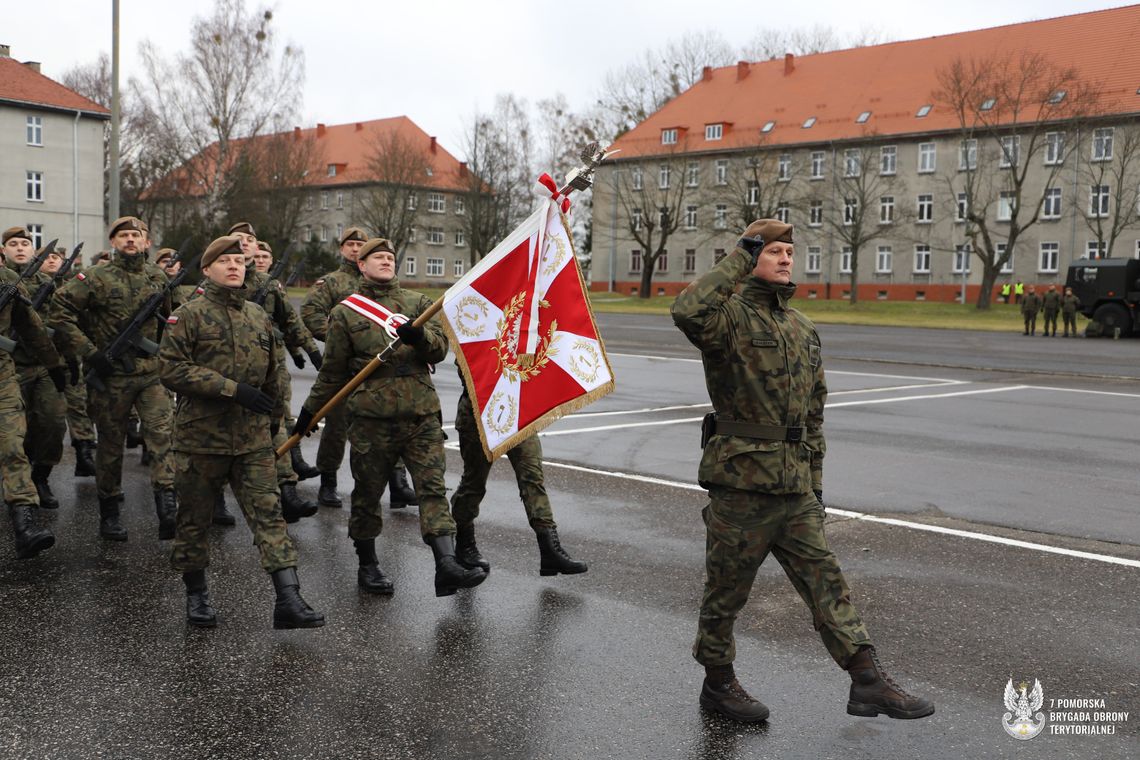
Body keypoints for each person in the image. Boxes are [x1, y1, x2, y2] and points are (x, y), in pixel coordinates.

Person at [671, 219, 934, 724]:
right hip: (742, 484)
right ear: (751, 258)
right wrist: (740, 256)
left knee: (827, 582)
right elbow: (686, 309)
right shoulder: (727, 319)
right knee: (726, 593)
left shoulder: (801, 326)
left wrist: (815, 485)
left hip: (794, 488)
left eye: (789, 251)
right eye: (773, 251)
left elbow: (814, 412)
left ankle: (868, 681)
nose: (786, 259)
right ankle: (718, 685)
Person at [294, 237, 486, 597]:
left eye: (389, 257)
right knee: (367, 495)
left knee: (431, 490)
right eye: (376, 257)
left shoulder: (419, 304)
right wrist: (310, 411)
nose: (385, 261)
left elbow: (441, 349)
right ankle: (368, 564)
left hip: (421, 415)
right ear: (361, 267)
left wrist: (419, 337)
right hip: (371, 419)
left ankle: (445, 564)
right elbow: (333, 373)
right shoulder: (345, 312)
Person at [158, 234, 324, 629]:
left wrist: (275, 424)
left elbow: (270, 380)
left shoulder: (257, 315)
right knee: (194, 522)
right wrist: (233, 390)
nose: (235, 266)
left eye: (239, 260)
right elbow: (171, 370)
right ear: (208, 269)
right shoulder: (189, 315)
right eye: (225, 261)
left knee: (269, 517)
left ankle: (289, 599)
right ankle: (196, 595)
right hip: (202, 439)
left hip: (251, 441)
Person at [48, 216, 178, 542]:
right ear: (113, 243)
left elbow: (167, 319)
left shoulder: (157, 275)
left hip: (150, 374)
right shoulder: (94, 277)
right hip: (111, 377)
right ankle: (110, 510)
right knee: (110, 445)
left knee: (162, 436)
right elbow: (60, 312)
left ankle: (168, 508)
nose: (130, 240)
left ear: (147, 242)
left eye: (136, 235)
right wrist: (90, 353)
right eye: (123, 236)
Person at [300, 226, 418, 511]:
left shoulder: (387, 282)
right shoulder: (332, 282)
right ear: (342, 249)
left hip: (384, 367)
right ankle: (328, 482)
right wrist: (338, 336)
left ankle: (399, 484)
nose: (355, 249)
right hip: (346, 366)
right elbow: (310, 311)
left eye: (360, 244)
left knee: (392, 421)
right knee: (337, 426)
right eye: (350, 244)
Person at [449, 368, 587, 577]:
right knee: (474, 483)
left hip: (518, 409)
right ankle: (464, 544)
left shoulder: (523, 332)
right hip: (480, 411)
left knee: (532, 478)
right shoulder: (474, 333)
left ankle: (549, 549)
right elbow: (470, 364)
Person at [227, 222, 320, 525]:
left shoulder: (269, 284)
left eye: (250, 239)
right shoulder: (214, 286)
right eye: (238, 239)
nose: (244, 243)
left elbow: (291, 322)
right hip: (227, 374)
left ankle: (287, 492)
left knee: (275, 424)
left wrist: (311, 350)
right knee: (221, 435)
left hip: (269, 369)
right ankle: (214, 499)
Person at [0, 229, 67, 559]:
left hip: (4, 372)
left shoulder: (9, 280)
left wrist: (55, 365)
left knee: (14, 444)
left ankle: (25, 525)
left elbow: (30, 325)